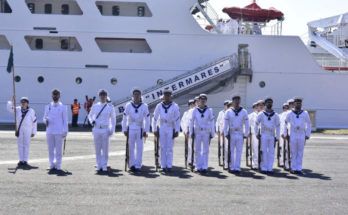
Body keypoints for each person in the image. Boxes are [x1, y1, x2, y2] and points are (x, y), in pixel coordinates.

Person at [122, 88, 150, 172]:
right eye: (135, 94)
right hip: (130, 129)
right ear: (133, 96)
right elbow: (124, 117)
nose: (136, 96)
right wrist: (124, 129)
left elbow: (147, 119)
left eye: (138, 94)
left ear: (140, 96)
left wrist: (146, 130)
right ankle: (131, 164)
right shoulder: (128, 105)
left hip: (140, 129)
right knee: (131, 147)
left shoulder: (144, 106)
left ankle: (138, 165)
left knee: (139, 148)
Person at [152, 89, 180, 172]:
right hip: (162, 127)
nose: (167, 97)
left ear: (171, 96)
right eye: (165, 95)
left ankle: (169, 164)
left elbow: (178, 119)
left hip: (170, 128)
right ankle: (163, 165)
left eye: (168, 95)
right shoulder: (159, 106)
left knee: (170, 148)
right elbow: (154, 118)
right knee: (162, 147)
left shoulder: (175, 106)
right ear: (163, 96)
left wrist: (177, 130)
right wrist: (154, 129)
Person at [88, 89, 116, 172]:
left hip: (105, 129)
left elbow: (113, 119)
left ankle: (104, 165)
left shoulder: (110, 107)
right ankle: (99, 164)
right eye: (101, 95)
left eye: (104, 95)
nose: (103, 97)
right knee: (97, 148)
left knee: (105, 148)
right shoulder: (95, 106)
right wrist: (92, 121)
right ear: (99, 96)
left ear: (106, 97)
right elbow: (90, 116)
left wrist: (112, 130)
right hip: (96, 129)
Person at [282, 97, 311, 175]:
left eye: (300, 103)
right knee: (293, 151)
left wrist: (307, 134)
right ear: (294, 104)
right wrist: (285, 134)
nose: (298, 104)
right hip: (293, 133)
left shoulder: (305, 113)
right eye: (297, 103)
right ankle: (293, 168)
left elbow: (309, 123)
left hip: (301, 133)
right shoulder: (290, 113)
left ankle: (299, 168)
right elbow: (285, 123)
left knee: (300, 152)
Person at [7, 97, 37, 166]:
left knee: (26, 144)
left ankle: (25, 160)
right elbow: (9, 108)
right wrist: (11, 100)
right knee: (20, 144)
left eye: (24, 102)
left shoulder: (31, 111)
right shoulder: (17, 109)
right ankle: (21, 160)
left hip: (28, 129)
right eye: (22, 102)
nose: (23, 103)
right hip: (20, 129)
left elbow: (34, 121)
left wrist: (34, 131)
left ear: (27, 103)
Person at [43, 89, 68, 171]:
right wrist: (45, 120)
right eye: (54, 95)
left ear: (59, 96)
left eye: (57, 95)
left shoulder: (63, 107)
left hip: (59, 131)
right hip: (49, 130)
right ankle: (51, 164)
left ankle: (58, 164)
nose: (55, 96)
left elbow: (65, 120)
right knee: (50, 149)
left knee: (58, 149)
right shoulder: (48, 106)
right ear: (52, 96)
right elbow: (44, 117)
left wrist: (65, 131)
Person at [189, 94, 215, 173]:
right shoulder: (195, 110)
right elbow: (191, 122)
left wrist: (212, 132)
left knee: (205, 150)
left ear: (206, 100)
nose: (203, 100)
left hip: (206, 131)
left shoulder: (209, 110)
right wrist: (191, 132)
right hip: (197, 131)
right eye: (201, 99)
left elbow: (212, 122)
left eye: (204, 99)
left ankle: (204, 166)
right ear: (198, 100)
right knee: (197, 150)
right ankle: (197, 166)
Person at [224, 95, 249, 173]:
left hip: (240, 133)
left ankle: (237, 167)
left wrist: (246, 134)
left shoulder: (244, 111)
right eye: (235, 100)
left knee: (239, 151)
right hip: (231, 133)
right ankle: (232, 166)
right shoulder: (228, 111)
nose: (237, 102)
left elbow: (247, 124)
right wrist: (226, 133)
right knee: (231, 150)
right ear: (232, 102)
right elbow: (225, 123)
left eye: (238, 100)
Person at [255, 97, 280, 174]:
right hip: (264, 135)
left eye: (271, 102)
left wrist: (277, 136)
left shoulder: (275, 115)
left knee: (271, 152)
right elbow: (256, 124)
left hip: (272, 135)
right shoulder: (261, 114)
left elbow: (278, 126)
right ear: (265, 104)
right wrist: (256, 133)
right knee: (264, 151)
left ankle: (270, 168)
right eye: (268, 102)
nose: (269, 104)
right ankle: (263, 167)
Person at [180, 99, 196, 168]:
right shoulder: (186, 113)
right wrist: (185, 131)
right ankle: (189, 161)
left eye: (193, 104)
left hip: (195, 131)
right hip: (188, 132)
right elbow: (183, 123)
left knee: (195, 147)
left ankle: (195, 161)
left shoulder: (196, 112)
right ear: (189, 106)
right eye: (190, 104)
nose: (192, 105)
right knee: (189, 147)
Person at [216, 100, 230, 169]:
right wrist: (217, 130)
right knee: (222, 147)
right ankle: (223, 161)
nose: (227, 106)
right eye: (226, 105)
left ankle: (228, 162)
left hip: (229, 133)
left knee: (229, 148)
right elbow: (218, 122)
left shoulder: (231, 113)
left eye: (228, 105)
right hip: (222, 133)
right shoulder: (221, 113)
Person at [248, 102, 259, 170]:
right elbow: (248, 125)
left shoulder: (262, 114)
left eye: (256, 106)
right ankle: (254, 164)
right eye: (255, 107)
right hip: (254, 134)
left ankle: (260, 163)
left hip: (261, 135)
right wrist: (248, 134)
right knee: (254, 149)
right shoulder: (251, 115)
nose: (256, 108)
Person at [279, 103, 290, 168]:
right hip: (282, 134)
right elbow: (280, 125)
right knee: (282, 148)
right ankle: (282, 162)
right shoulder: (281, 115)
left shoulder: (290, 114)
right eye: (284, 108)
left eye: (287, 108)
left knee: (288, 149)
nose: (285, 109)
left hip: (287, 134)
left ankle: (287, 163)